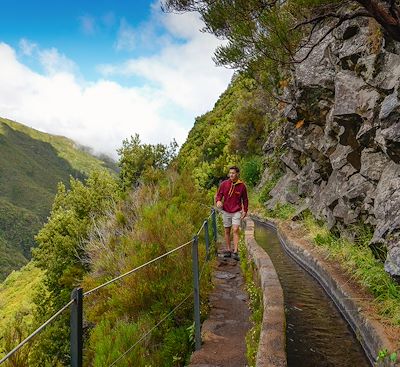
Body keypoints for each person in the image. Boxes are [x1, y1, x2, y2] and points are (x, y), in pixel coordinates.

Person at [215, 166, 248, 261]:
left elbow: (245, 199)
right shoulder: (224, 184)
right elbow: (219, 195)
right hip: (226, 210)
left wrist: (245, 210)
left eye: (233, 173)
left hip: (236, 211)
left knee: (236, 229)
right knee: (227, 231)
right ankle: (229, 250)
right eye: (230, 173)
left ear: (237, 174)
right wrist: (218, 201)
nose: (231, 175)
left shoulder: (242, 186)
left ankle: (235, 251)